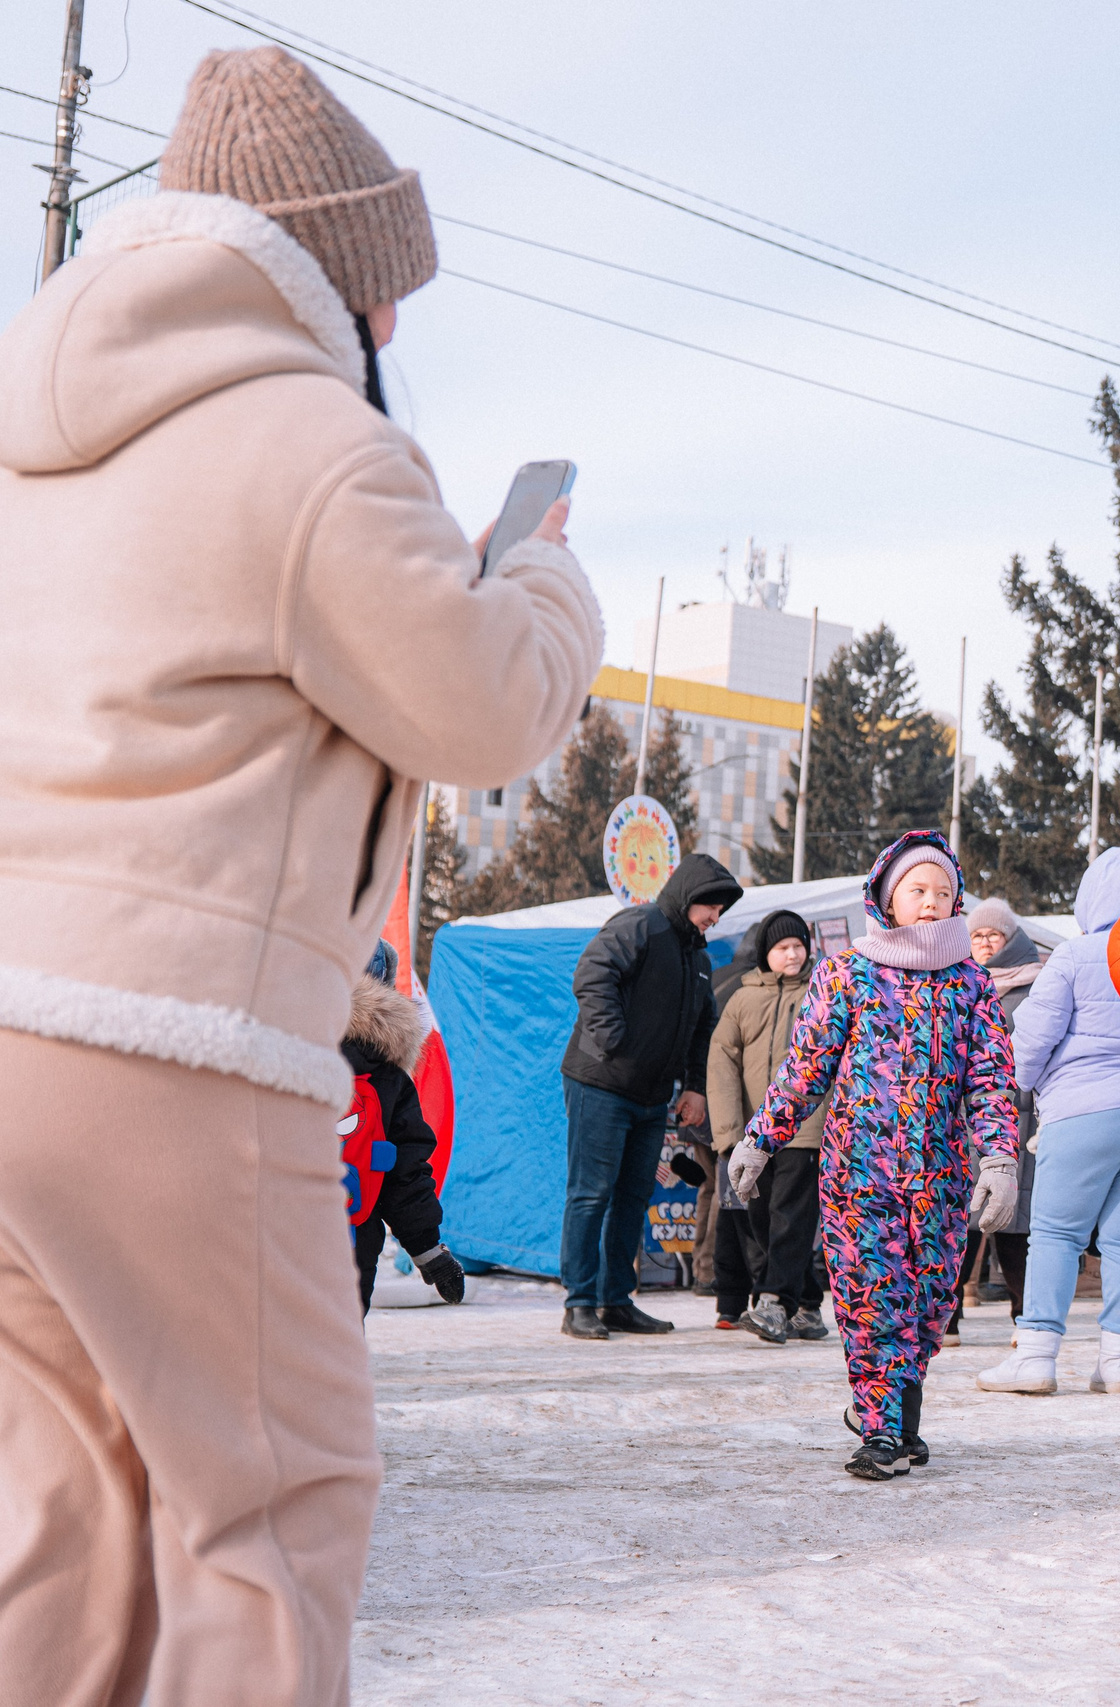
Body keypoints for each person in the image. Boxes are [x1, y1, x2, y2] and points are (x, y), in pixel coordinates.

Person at [0, 46, 605, 1701]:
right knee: (267, 1506)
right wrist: (544, 576)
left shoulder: (30, 440)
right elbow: (478, 701)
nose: (393, 336)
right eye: (386, 297)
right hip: (175, 1055)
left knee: (67, 1501)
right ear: (328, 273)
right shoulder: (312, 447)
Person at [731, 831, 1019, 1480]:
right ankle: (882, 1429)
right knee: (872, 1301)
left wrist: (999, 1160)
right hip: (860, 1177)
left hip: (941, 1179)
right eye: (918, 890)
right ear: (889, 897)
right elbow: (804, 1070)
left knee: (928, 1306)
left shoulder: (970, 984)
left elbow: (992, 1080)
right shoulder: (847, 974)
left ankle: (896, 1413)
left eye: (944, 893)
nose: (931, 902)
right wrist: (761, 1137)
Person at [977, 849, 1120, 1398]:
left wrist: (1032, 1086)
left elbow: (1031, 1040)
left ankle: (1035, 1356)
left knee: (1057, 1234)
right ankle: (1119, 1363)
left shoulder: (1075, 954)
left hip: (1084, 1108)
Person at [559, 852, 743, 1340]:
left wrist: (696, 1088)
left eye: (721, 911)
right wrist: (615, 1044)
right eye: (711, 906)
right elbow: (593, 974)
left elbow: (704, 1026)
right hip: (599, 1084)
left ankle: (616, 1300)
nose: (715, 916)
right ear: (688, 895)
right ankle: (579, 1302)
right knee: (591, 1193)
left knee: (633, 1196)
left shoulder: (699, 959)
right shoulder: (641, 924)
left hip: (651, 1097)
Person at [710, 910, 828, 1342]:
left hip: (807, 1129)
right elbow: (721, 1064)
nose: (793, 954)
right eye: (782, 947)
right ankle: (810, 1304)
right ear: (766, 954)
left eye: (799, 945)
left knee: (791, 1218)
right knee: (759, 1218)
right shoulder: (742, 1000)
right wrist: (727, 1131)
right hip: (754, 1135)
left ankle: (775, 1303)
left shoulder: (824, 993)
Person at [341, 944, 465, 1315]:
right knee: (338, 1342)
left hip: (264, 1232)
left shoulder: (265, 1048)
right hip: (352, 1239)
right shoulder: (386, 1076)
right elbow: (404, 1174)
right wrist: (428, 1250)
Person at [966, 898, 1047, 1321]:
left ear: (1010, 939)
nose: (983, 943)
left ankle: (1024, 1313)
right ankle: (953, 1315)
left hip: (1021, 1113)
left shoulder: (1035, 984)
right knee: (965, 1216)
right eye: (976, 935)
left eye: (992, 935)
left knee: (1015, 1219)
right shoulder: (961, 981)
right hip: (969, 1118)